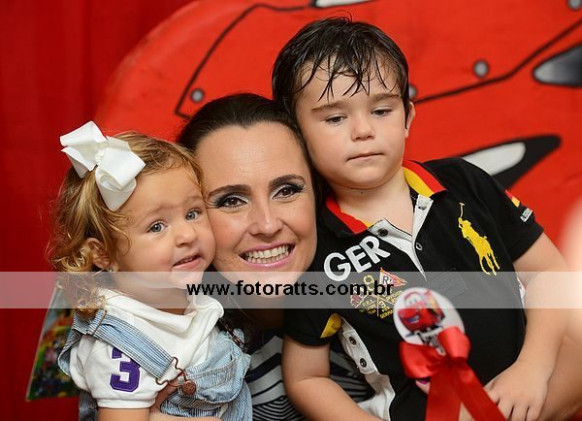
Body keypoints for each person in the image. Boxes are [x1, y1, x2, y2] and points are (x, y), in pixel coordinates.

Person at [272, 17, 570, 421]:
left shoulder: (463, 182)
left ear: (408, 117)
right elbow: (306, 377)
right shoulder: (316, 247)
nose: (363, 130)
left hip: (531, 393)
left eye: (381, 110)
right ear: (295, 134)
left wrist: (532, 369)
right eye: (335, 118)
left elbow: (549, 271)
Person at [175, 93, 373, 420]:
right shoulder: (159, 339)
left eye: (287, 190)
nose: (267, 225)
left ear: (319, 193)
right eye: (231, 200)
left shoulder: (386, 287)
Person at [52, 122, 251, 420]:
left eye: (193, 213)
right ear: (103, 254)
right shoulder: (121, 346)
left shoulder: (190, 294)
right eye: (157, 226)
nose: (188, 235)